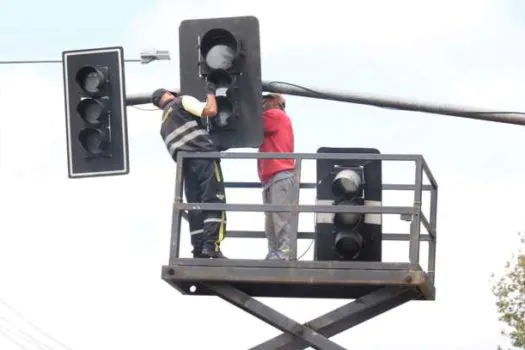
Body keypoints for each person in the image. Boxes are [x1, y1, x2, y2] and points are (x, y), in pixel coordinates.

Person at [151, 83, 227, 259]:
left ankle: (199, 249)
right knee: (214, 201)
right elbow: (210, 110)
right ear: (170, 94)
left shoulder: (163, 125)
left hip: (186, 168)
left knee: (195, 207)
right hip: (205, 159)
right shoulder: (182, 101)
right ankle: (211, 247)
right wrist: (210, 92)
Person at [258, 93, 296, 260]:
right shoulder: (274, 118)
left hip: (279, 173)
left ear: (275, 101)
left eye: (266, 99)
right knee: (271, 221)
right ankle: (274, 252)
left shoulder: (275, 115)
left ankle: (283, 252)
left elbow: (253, 124)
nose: (262, 103)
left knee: (280, 217)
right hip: (271, 176)